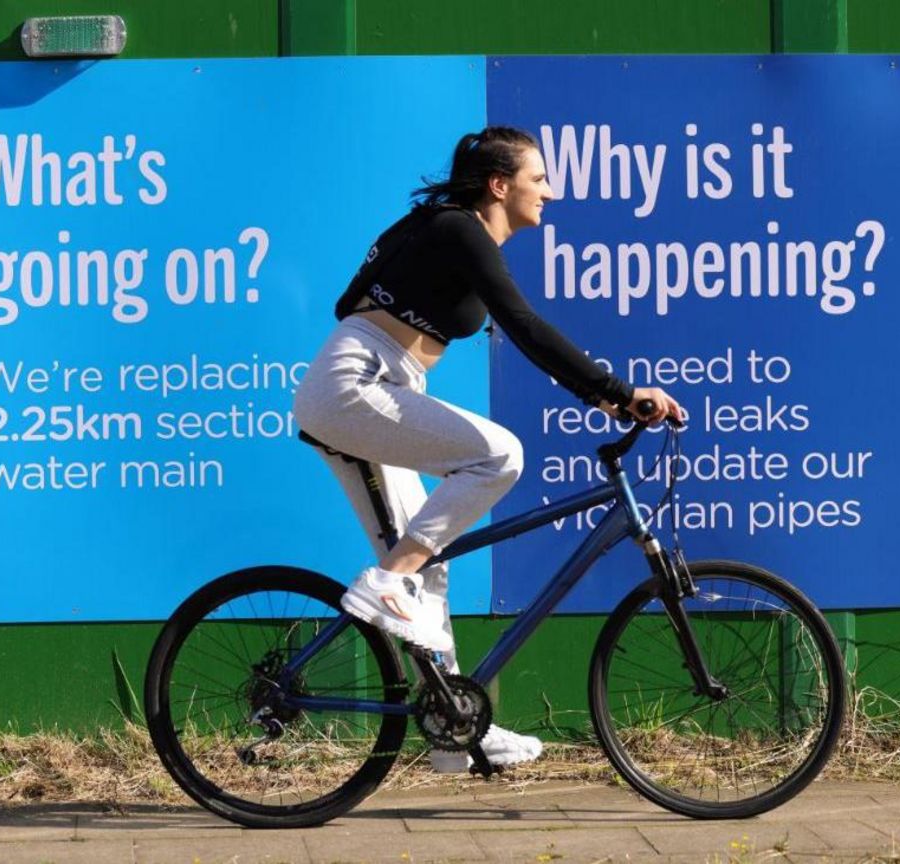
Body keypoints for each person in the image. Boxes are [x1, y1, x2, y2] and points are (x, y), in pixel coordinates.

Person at [291, 127, 687, 772]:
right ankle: (386, 582)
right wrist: (616, 392)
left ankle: (454, 729)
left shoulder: (446, 232)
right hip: (354, 385)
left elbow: (349, 298)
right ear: (500, 185)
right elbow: (524, 325)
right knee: (498, 455)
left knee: (433, 560)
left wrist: (611, 400)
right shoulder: (457, 229)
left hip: (374, 382)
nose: (550, 192)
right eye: (540, 179)